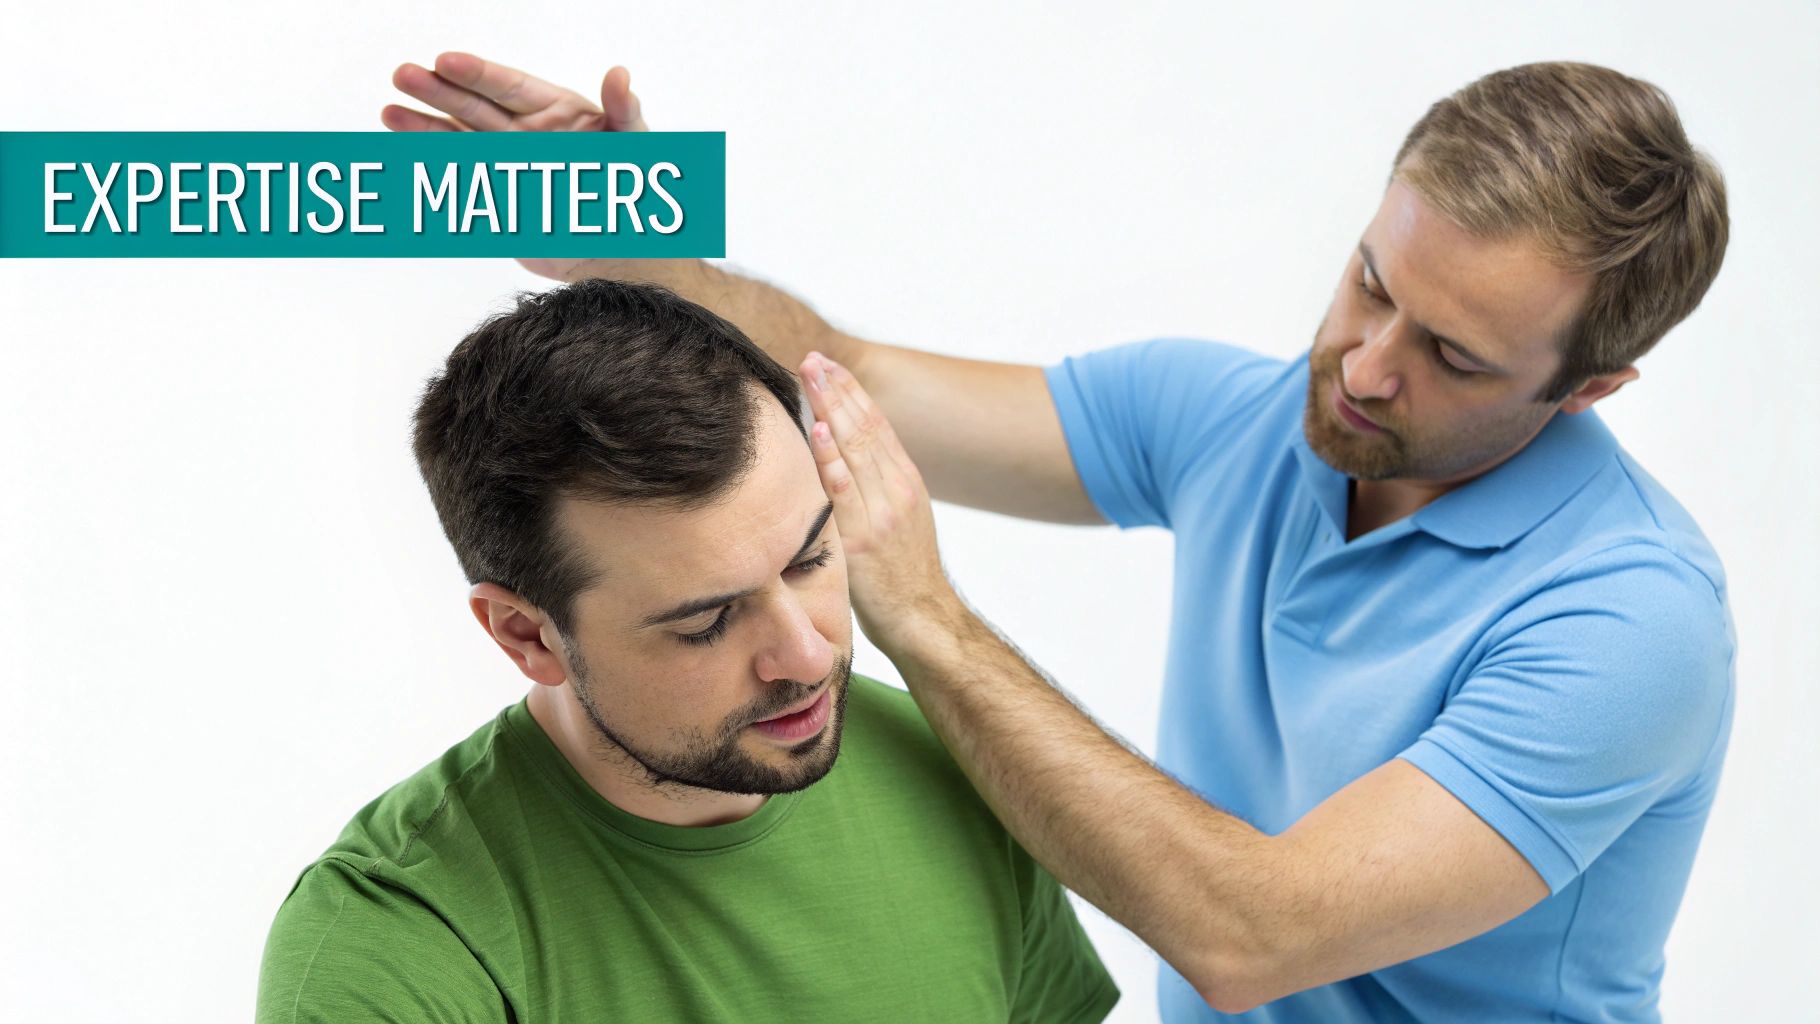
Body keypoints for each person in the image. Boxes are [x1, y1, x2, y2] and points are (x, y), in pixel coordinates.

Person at [384, 55, 1734, 1022]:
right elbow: (855, 382)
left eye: (1452, 355)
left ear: (1588, 389)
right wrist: (637, 238)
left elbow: (1251, 938)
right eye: (1370, 284)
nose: (1367, 369)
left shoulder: (1627, 621)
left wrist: (928, 621)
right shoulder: (1240, 421)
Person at [253, 280, 1119, 1022]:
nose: (806, 656)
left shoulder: (952, 764)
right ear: (526, 633)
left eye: (812, 559)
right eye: (707, 621)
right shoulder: (401, 937)